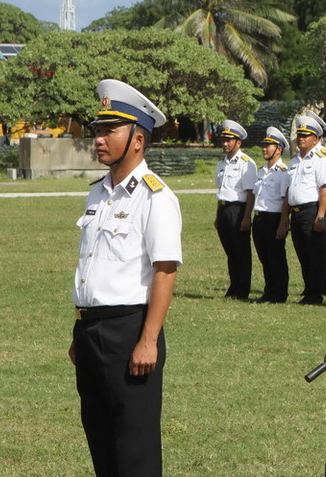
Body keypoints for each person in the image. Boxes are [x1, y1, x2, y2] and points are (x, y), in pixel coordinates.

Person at [70, 79, 182, 477]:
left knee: (134, 448)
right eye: (97, 130)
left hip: (130, 330)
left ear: (137, 139)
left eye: (109, 130)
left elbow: (164, 270)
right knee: (101, 441)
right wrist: (80, 332)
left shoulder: (156, 197)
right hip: (91, 330)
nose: (98, 139)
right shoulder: (98, 194)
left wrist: (148, 340)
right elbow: (93, 266)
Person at [283, 111, 326, 305]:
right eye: (299, 135)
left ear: (316, 139)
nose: (301, 139)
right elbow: (289, 190)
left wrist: (320, 216)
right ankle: (309, 288)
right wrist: (285, 216)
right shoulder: (294, 161)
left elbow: (324, 189)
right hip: (296, 212)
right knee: (302, 252)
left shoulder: (320, 159)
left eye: (306, 135)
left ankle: (316, 293)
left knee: (315, 253)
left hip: (312, 210)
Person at [215, 120, 257, 299]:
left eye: (229, 140)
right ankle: (233, 285)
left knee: (241, 251)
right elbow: (220, 191)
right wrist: (218, 215)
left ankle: (242, 289)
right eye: (223, 140)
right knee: (230, 251)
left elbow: (250, 193)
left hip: (238, 210)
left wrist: (247, 217)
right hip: (224, 209)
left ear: (238, 143)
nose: (225, 143)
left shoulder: (246, 163)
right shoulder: (221, 164)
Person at [251, 126, 290, 303]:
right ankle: (269, 290)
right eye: (264, 145)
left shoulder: (283, 172)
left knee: (276, 257)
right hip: (259, 217)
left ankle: (279, 293)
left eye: (268, 146)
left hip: (274, 218)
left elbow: (285, 200)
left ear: (279, 149)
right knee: (264, 257)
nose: (264, 149)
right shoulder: (262, 171)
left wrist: (283, 223)